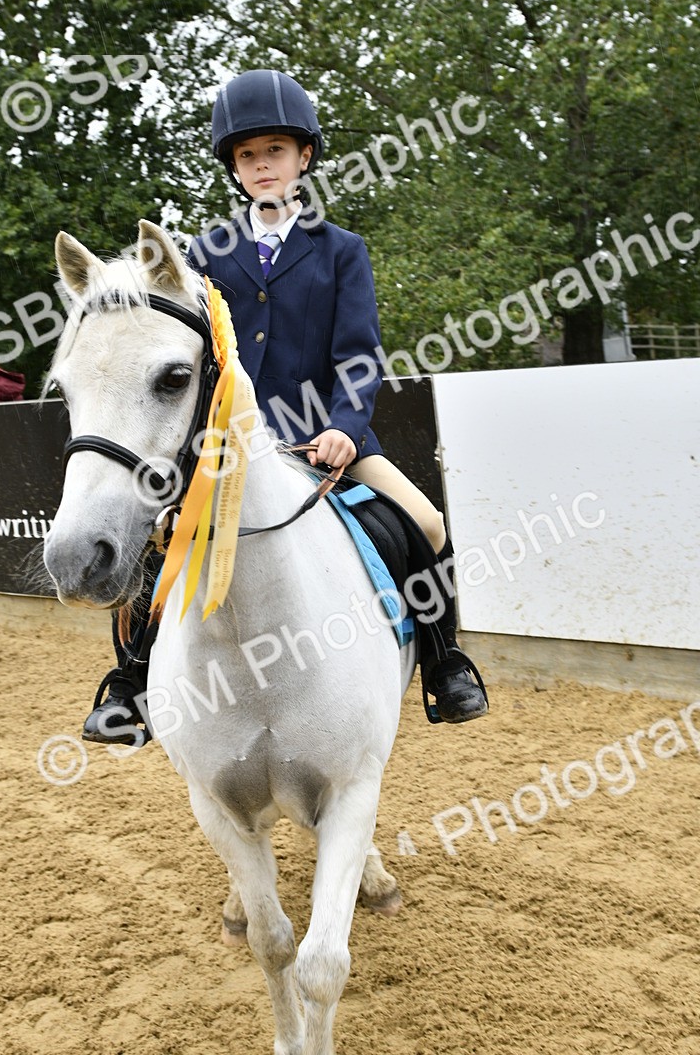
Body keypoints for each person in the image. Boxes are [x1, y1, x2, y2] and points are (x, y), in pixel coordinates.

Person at [83, 69, 488, 743]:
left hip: (325, 440)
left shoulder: (341, 252)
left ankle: (446, 665)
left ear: (304, 158)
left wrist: (345, 429)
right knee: (158, 543)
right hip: (225, 449)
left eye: (275, 151)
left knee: (427, 522)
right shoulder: (203, 257)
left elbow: (358, 357)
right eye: (247, 155)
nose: (262, 165)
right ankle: (131, 684)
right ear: (234, 169)